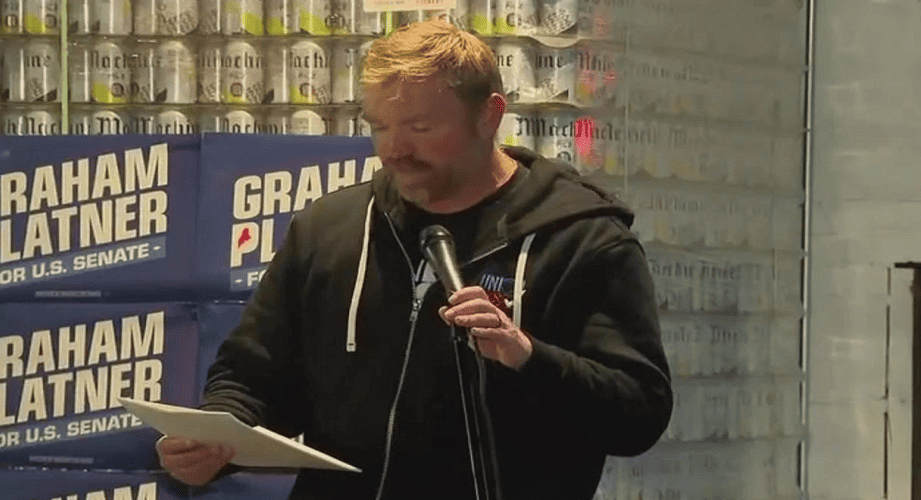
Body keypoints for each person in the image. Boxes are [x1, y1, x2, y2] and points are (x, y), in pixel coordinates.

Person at [158, 19, 673, 500]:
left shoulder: (581, 239)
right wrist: (214, 441)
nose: (394, 150)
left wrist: (528, 358)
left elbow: (638, 415)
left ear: (489, 116)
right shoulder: (330, 228)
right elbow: (253, 376)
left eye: (421, 128)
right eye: (380, 127)